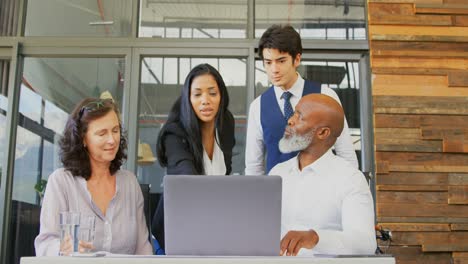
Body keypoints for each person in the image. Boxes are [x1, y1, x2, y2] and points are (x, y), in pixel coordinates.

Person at [35, 98, 153, 256]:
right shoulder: (61, 182)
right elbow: (45, 245)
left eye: (115, 130)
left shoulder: (130, 183)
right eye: (102, 133)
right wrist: (62, 248)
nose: (112, 140)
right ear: (83, 139)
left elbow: (143, 250)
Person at [270, 94, 376, 256]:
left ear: (323, 133)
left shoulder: (350, 179)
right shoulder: (278, 173)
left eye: (300, 117)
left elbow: (365, 242)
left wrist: (316, 238)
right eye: (294, 113)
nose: (290, 120)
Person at [245, 24, 358, 175]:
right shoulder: (257, 106)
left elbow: (346, 153)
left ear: (297, 59)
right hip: (278, 194)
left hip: (321, 191)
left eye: (281, 61)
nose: (274, 69)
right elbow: (254, 166)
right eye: (268, 62)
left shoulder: (325, 95)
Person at [151, 63, 235, 251]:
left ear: (221, 96)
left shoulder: (226, 124)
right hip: (175, 230)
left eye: (212, 93)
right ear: (188, 99)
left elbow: (225, 173)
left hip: (211, 228)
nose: (205, 100)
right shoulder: (174, 133)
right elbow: (187, 181)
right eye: (197, 94)